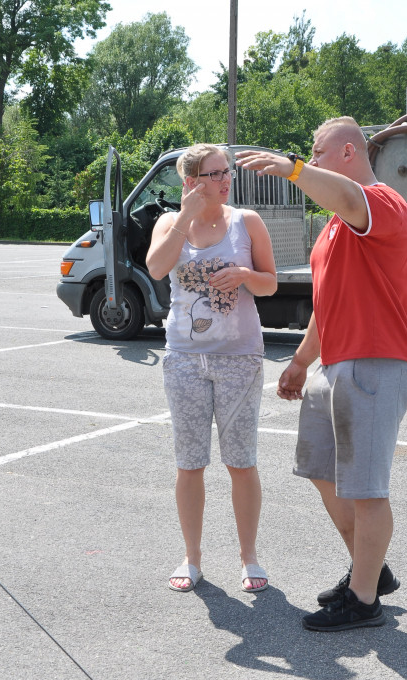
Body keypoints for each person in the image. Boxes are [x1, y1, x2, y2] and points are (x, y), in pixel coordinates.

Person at [235, 118, 407, 631]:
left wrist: (292, 170)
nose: (310, 159)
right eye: (306, 155)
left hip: (375, 363)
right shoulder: (336, 226)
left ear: (347, 152)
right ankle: (372, 572)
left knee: (366, 489)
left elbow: (348, 197)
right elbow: (327, 304)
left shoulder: (382, 203)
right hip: (334, 364)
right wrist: (299, 360)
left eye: (316, 152)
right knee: (320, 471)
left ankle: (363, 602)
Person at [145, 144, 278, 594]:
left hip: (240, 357)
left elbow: (271, 284)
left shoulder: (247, 222)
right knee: (190, 463)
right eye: (215, 173)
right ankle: (192, 556)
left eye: (228, 172)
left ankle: (249, 556)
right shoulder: (169, 223)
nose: (226, 180)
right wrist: (183, 217)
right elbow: (158, 266)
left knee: (240, 462)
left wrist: (243, 274)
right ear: (191, 182)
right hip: (184, 357)